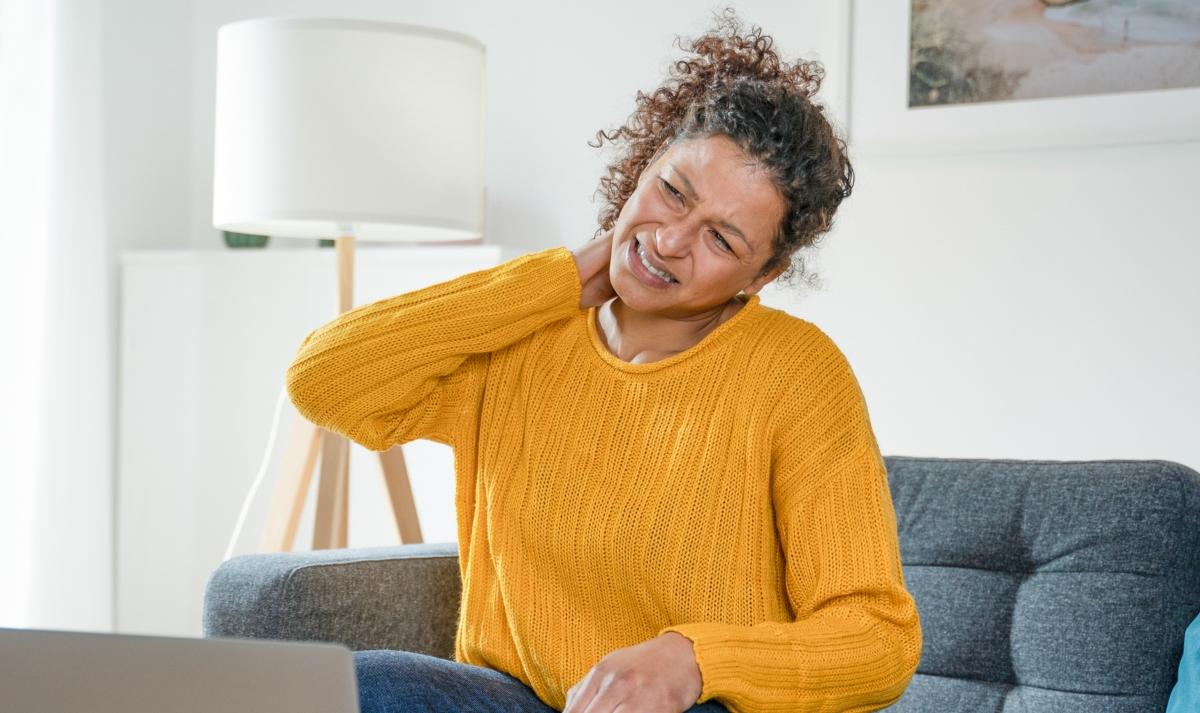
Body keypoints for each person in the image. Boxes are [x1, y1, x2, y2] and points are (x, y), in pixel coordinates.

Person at [285, 8, 922, 713]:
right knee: (354, 686)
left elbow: (878, 638)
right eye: (672, 191)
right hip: (519, 700)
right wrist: (554, 279)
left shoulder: (798, 374)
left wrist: (694, 660)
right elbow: (325, 379)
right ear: (645, 160)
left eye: (722, 239)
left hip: (702, 708)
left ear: (759, 276)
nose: (671, 239)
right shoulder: (529, 336)